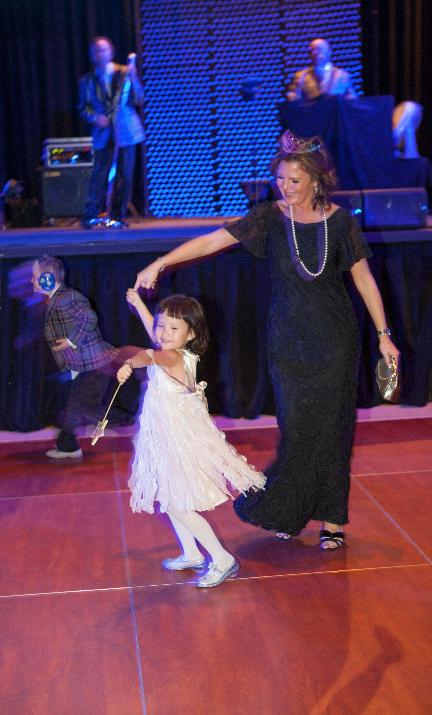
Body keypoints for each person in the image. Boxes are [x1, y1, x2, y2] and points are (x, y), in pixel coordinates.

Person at [132, 130, 400, 551]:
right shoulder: (269, 217)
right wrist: (161, 262)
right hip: (288, 344)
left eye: (294, 181)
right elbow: (213, 240)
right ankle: (287, 511)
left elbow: (364, 280)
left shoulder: (342, 222)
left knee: (333, 430)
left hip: (335, 342)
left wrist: (384, 336)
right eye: (281, 180)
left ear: (316, 180)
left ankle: (332, 521)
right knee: (295, 429)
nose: (286, 188)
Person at [116, 291, 265, 587]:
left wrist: (129, 363)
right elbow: (154, 337)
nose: (163, 333)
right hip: (166, 439)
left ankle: (222, 559)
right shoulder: (172, 348)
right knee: (172, 499)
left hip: (178, 441)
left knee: (177, 503)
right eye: (161, 326)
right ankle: (192, 554)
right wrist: (141, 306)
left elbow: (148, 354)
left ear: (190, 334)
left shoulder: (172, 357)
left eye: (173, 328)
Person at [32, 255, 132, 458]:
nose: (31, 281)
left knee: (85, 410)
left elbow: (89, 317)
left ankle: (135, 420)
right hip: (86, 366)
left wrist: (70, 341)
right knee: (75, 409)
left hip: (96, 366)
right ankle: (67, 446)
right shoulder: (57, 299)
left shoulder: (67, 297)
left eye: (35, 277)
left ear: (47, 279)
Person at [287, 38, 423, 159]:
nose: (317, 52)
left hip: (341, 124)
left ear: (329, 52)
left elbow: (353, 102)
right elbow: (294, 101)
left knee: (407, 109)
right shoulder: (301, 77)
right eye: (314, 50)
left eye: (320, 49)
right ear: (310, 54)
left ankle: (389, 141)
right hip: (316, 125)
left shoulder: (342, 75)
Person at [78, 36, 145, 228]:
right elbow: (84, 108)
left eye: (104, 50)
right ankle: (91, 215)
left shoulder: (125, 73)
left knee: (124, 174)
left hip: (126, 131)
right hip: (103, 133)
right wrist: (94, 118)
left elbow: (139, 99)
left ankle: (118, 216)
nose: (101, 54)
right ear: (92, 56)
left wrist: (134, 78)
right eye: (97, 51)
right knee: (99, 174)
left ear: (111, 52)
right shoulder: (88, 81)